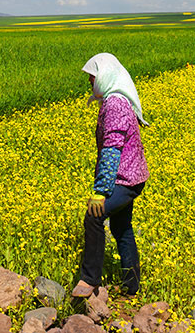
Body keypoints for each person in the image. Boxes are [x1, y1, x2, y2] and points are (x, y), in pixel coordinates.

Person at [72, 53, 149, 299]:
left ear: (105, 77)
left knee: (94, 216)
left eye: (93, 78)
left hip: (125, 178)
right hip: (133, 176)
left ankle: (89, 279)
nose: (90, 83)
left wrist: (101, 192)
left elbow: (111, 149)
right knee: (121, 227)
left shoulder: (115, 104)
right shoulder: (114, 99)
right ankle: (131, 285)